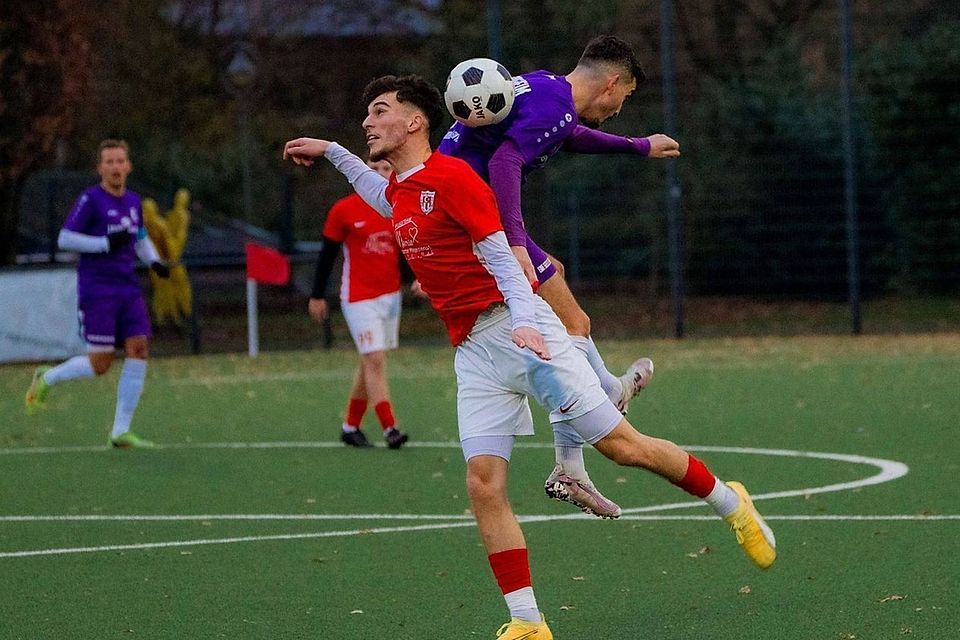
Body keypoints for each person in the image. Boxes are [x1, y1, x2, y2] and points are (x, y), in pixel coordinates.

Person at [283, 74, 776, 640]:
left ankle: (729, 501)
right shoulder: (400, 188)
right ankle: (528, 622)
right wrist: (331, 151)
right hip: (474, 351)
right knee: (483, 483)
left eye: (378, 111)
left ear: (415, 121)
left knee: (624, 448)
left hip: (522, 331)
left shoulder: (456, 179)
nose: (367, 122)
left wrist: (524, 323)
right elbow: (375, 191)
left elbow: (506, 262)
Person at [438, 35, 681, 519]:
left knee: (566, 304)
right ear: (612, 83)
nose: (620, 107)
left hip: (456, 212)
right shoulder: (556, 106)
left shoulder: (546, 88)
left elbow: (566, 136)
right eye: (626, 95)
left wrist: (637, 146)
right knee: (573, 326)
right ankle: (579, 447)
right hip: (470, 220)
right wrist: (514, 242)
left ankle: (601, 401)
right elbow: (506, 161)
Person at [25, 139, 169, 449]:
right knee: (100, 364)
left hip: (127, 287)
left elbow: (140, 237)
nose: (116, 167)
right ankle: (47, 378)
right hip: (98, 289)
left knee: (139, 348)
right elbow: (65, 238)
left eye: (120, 161)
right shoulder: (91, 199)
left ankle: (120, 432)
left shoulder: (134, 201)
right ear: (100, 168)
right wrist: (104, 243)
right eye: (109, 162)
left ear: (128, 166)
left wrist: (155, 261)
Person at [309, 158, 410, 449]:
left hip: (390, 297)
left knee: (369, 361)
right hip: (358, 299)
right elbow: (327, 255)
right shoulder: (344, 210)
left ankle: (350, 427)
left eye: (386, 169)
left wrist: (419, 278)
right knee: (375, 359)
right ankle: (390, 428)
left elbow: (408, 252)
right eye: (373, 169)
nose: (380, 174)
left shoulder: (398, 208)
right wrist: (317, 295)